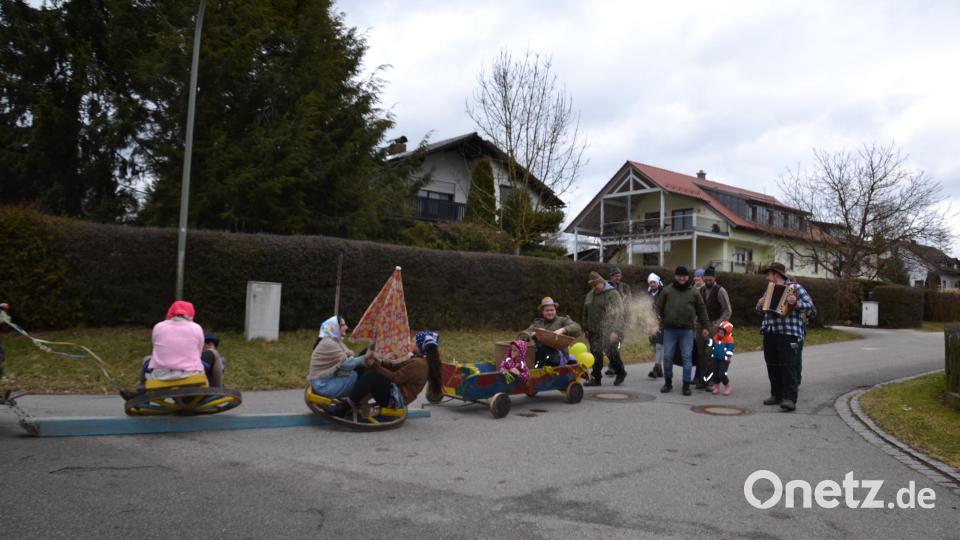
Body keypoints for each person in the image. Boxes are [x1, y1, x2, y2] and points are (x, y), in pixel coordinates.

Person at [120, 300, 216, 400]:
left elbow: (155, 348)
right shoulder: (196, 327)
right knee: (214, 354)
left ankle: (142, 396)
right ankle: (218, 388)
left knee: (147, 359)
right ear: (190, 315)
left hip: (160, 376)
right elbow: (199, 352)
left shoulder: (158, 326)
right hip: (189, 374)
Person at [755, 262, 816, 412]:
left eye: (769, 274)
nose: (768, 278)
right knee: (772, 364)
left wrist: (796, 303)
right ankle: (776, 394)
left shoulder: (796, 288)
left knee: (788, 365)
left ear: (776, 274)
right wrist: (759, 304)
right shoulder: (768, 290)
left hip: (789, 333)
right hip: (770, 332)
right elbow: (761, 312)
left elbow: (812, 309)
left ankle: (789, 398)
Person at [655, 266, 711, 396]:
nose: (681, 278)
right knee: (667, 356)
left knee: (687, 357)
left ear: (688, 277)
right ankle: (668, 382)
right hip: (669, 330)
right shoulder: (667, 291)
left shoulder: (694, 292)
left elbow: (702, 311)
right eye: (679, 275)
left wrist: (707, 327)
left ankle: (686, 385)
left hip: (687, 331)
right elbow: (657, 308)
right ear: (675, 276)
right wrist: (656, 323)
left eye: (684, 276)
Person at [308, 315, 371, 400]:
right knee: (359, 378)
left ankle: (356, 399)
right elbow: (346, 364)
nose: (346, 327)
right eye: (343, 325)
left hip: (323, 381)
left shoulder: (333, 340)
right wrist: (364, 358)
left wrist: (363, 358)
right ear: (335, 327)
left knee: (358, 373)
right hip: (323, 385)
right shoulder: (329, 343)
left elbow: (346, 359)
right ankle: (354, 401)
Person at [582, 271, 626, 386]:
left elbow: (619, 314)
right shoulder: (590, 294)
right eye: (591, 286)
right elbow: (585, 311)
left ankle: (620, 372)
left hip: (609, 330)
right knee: (596, 354)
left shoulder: (612, 294)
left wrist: (615, 331)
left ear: (602, 282)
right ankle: (596, 378)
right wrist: (585, 328)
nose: (594, 288)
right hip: (593, 331)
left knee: (611, 353)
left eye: (595, 285)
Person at [518, 297, 582, 368]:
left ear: (555, 310)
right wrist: (532, 334)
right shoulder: (537, 323)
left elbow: (577, 328)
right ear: (542, 312)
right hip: (539, 356)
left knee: (544, 351)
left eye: (552, 310)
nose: (550, 312)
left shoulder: (562, 321)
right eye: (547, 310)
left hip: (558, 356)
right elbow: (522, 336)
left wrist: (563, 330)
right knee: (535, 351)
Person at [696, 266, 732, 391]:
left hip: (714, 325)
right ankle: (702, 380)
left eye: (710, 280)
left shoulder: (720, 291)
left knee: (710, 353)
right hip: (700, 325)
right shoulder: (700, 290)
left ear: (715, 278)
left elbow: (727, 310)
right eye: (706, 279)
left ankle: (710, 380)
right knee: (700, 353)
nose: (708, 282)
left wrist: (719, 324)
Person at [605, 266, 632, 376]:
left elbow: (629, 302)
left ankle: (613, 366)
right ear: (611, 276)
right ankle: (613, 364)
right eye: (615, 276)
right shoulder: (606, 287)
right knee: (607, 345)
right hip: (608, 321)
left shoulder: (625, 287)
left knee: (617, 344)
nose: (618, 277)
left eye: (619, 275)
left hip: (622, 321)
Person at [646, 273, 665, 379]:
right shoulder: (648, 294)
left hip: (661, 324)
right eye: (651, 282)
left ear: (657, 283)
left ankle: (656, 368)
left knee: (659, 345)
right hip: (650, 324)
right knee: (654, 346)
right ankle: (659, 368)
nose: (652, 284)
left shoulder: (663, 293)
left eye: (654, 282)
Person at [709, 321, 735, 396]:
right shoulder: (716, 338)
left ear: (726, 332)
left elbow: (730, 349)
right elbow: (711, 344)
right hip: (716, 358)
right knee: (715, 373)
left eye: (721, 332)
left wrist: (728, 357)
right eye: (719, 331)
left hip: (724, 360)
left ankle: (727, 386)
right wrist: (707, 339)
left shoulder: (729, 340)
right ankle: (716, 387)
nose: (719, 333)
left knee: (722, 374)